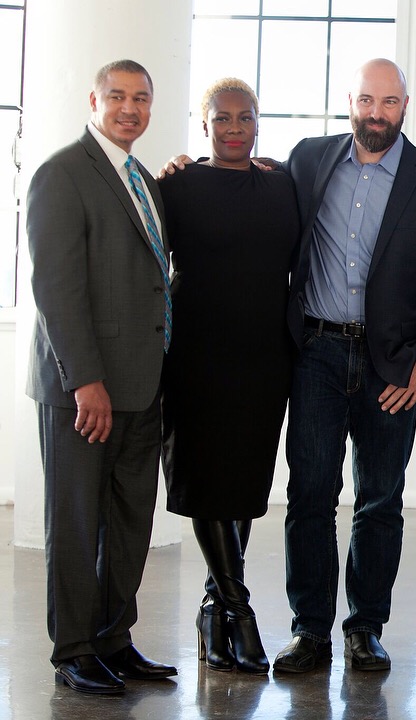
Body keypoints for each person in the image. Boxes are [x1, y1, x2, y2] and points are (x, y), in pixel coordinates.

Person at [271, 58, 416, 674]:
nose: (375, 113)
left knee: (380, 499)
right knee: (309, 495)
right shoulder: (308, 159)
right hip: (317, 356)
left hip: (392, 367)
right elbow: (254, 192)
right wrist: (189, 167)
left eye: (388, 102)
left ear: (405, 106)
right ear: (349, 102)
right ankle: (310, 630)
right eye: (365, 101)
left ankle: (365, 627)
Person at [26, 59, 177, 695]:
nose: (129, 109)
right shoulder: (62, 174)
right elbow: (56, 289)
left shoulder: (144, 179)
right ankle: (74, 650)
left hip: (142, 387)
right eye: (116, 96)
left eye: (141, 98)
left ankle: (115, 638)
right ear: (93, 99)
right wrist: (85, 380)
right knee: (77, 523)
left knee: (128, 523)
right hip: (83, 392)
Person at [158, 78, 298, 674]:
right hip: (197, 354)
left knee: (242, 481)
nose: (235, 128)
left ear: (258, 123)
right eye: (223, 118)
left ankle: (215, 610)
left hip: (265, 357)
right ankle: (238, 609)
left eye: (245, 117)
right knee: (207, 477)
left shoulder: (282, 185)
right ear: (205, 123)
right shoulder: (176, 186)